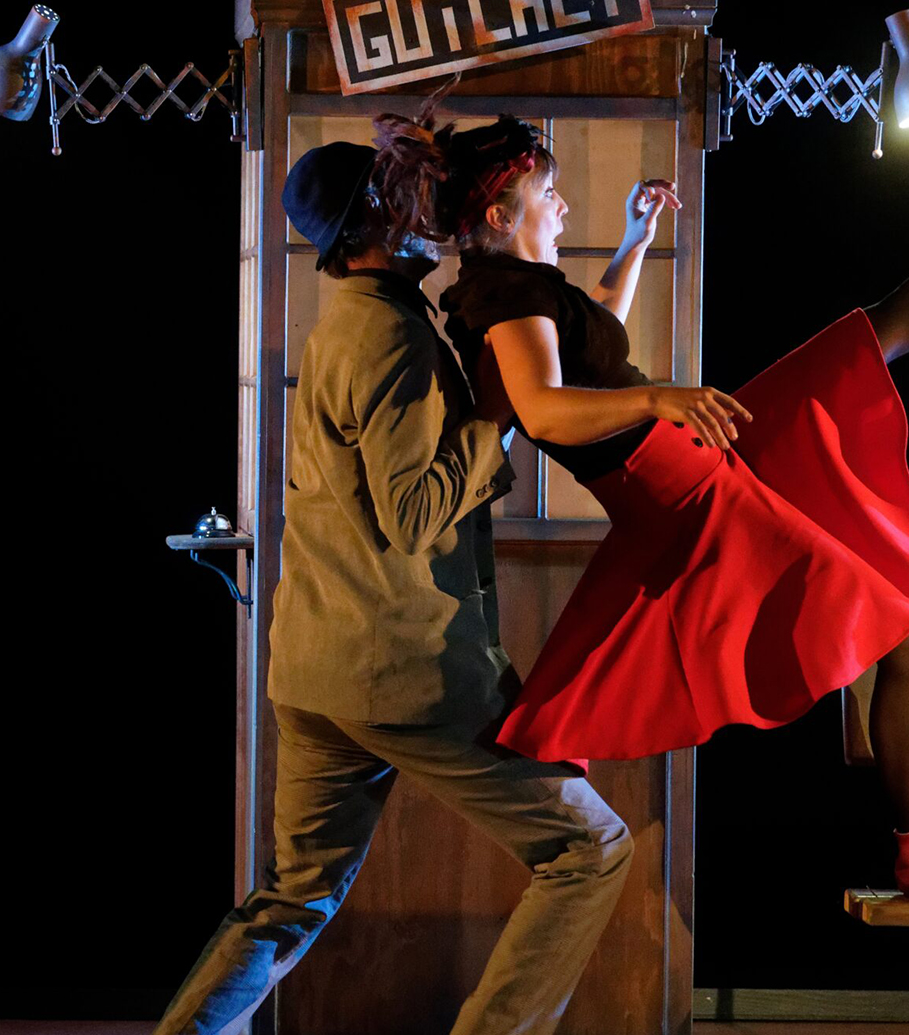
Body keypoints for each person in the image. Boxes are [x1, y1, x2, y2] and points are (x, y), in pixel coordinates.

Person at [416, 70, 909, 904]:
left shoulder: (526, 291)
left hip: (706, 461)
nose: (560, 206)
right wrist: (659, 398)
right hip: (696, 499)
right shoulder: (506, 297)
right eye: (547, 194)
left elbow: (592, 332)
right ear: (499, 217)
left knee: (866, 340)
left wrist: (634, 240)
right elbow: (544, 409)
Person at [154, 123, 634, 1035]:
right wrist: (495, 415)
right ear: (374, 221)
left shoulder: (355, 322)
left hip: (317, 677)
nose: (426, 207)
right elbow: (413, 514)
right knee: (590, 848)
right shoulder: (386, 336)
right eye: (402, 195)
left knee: (291, 900)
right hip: (400, 679)